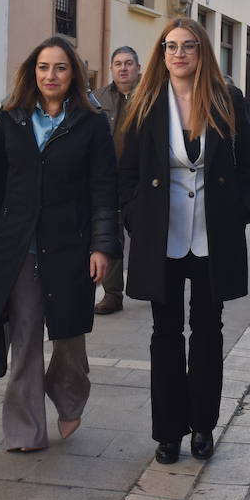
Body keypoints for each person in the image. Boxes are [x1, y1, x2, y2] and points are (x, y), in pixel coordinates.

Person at [117, 18, 250, 465]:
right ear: (162, 54)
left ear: (202, 53)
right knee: (164, 334)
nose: (179, 54)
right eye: (171, 46)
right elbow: (126, 173)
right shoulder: (144, 102)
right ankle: (168, 431)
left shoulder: (227, 100)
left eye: (189, 46)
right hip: (161, 235)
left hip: (212, 234)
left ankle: (202, 426)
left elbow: (249, 165)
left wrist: (240, 210)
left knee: (207, 332)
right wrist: (135, 217)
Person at [0, 38, 118, 452]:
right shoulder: (12, 116)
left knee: (69, 338)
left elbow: (104, 189)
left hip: (71, 246)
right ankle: (24, 431)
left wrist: (101, 247)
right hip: (18, 246)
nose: (50, 76)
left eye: (59, 68)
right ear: (31, 72)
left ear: (73, 74)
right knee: (24, 336)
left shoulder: (91, 122)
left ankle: (69, 396)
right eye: (42, 67)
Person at [94, 46, 142, 315]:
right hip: (108, 178)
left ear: (138, 68)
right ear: (111, 68)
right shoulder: (98, 98)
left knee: (143, 233)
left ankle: (150, 284)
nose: (123, 68)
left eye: (128, 63)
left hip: (140, 179)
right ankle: (113, 294)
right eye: (118, 64)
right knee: (110, 234)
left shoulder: (152, 97)